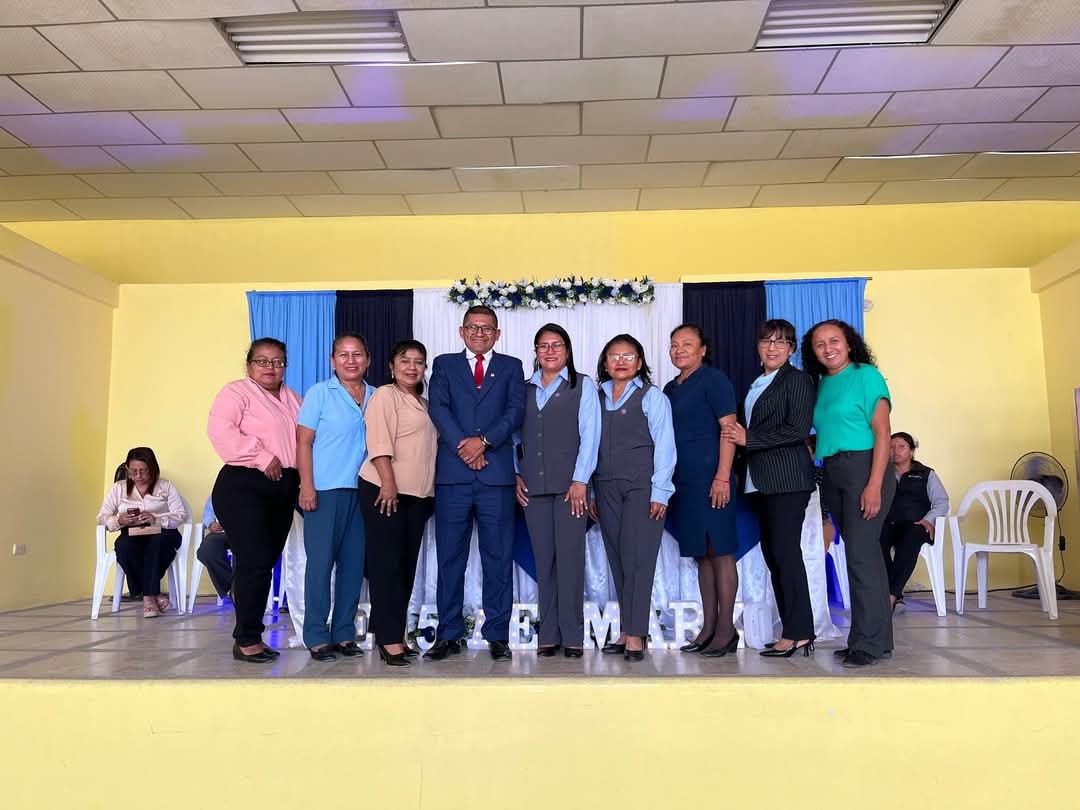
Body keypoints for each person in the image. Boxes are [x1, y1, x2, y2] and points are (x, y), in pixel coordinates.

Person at [425, 305, 525, 662]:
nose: (479, 333)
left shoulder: (511, 366)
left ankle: (497, 634)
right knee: (450, 558)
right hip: (453, 477)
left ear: (497, 334)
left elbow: (515, 412)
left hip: (495, 477)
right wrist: (465, 447)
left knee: (497, 558)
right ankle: (448, 633)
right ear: (461, 331)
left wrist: (483, 443)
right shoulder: (444, 364)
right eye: (473, 327)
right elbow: (438, 409)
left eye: (486, 328)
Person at [802, 319, 894, 668]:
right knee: (864, 556)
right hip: (833, 470)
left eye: (834, 341)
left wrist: (874, 484)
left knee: (860, 557)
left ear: (849, 343)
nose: (828, 348)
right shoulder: (822, 384)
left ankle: (867, 643)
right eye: (820, 344)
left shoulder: (866, 376)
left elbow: (883, 433)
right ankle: (874, 640)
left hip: (864, 468)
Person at [722, 319, 817, 658]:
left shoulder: (798, 380)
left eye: (781, 342)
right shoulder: (758, 382)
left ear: (791, 349)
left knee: (785, 553)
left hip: (787, 479)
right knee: (775, 555)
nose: (772, 347)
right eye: (766, 341)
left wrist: (749, 438)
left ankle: (799, 632)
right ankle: (793, 630)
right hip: (760, 481)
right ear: (758, 346)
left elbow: (798, 429)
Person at [208, 337, 301, 664]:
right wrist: (262, 457)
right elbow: (220, 431)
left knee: (265, 563)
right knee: (254, 561)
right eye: (262, 361)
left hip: (284, 486)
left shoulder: (293, 398)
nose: (270, 367)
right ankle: (246, 640)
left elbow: (305, 440)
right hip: (245, 483)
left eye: (277, 362)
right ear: (249, 365)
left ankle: (254, 634)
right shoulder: (236, 393)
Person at [515, 324, 600, 660]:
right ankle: (548, 634)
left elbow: (590, 435)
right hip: (532, 488)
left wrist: (581, 481)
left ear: (567, 349)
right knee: (544, 562)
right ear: (536, 352)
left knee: (570, 560)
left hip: (570, 489)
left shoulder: (583, 385)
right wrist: (515, 473)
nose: (550, 351)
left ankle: (573, 635)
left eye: (556, 345)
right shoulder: (523, 388)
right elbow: (514, 437)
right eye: (543, 346)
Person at [591, 334, 675, 662]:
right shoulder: (595, 397)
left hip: (643, 487)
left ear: (639, 363)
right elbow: (588, 444)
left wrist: (661, 491)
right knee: (617, 558)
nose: (621, 361)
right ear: (605, 362)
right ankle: (627, 629)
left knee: (638, 558)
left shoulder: (652, 397)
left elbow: (665, 446)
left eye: (628, 356)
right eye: (614, 356)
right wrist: (592, 490)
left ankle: (637, 633)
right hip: (605, 485)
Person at [296, 332, 375, 661]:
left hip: (364, 491)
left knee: (353, 566)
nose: (350, 361)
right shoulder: (319, 393)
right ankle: (316, 634)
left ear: (368, 359)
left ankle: (344, 632)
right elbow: (303, 442)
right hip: (324, 490)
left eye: (357, 354)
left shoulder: (376, 395)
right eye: (343, 354)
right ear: (332, 360)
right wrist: (307, 485)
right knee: (320, 565)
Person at [664, 324, 740, 658]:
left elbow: (729, 430)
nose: (679, 350)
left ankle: (726, 630)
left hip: (713, 479)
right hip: (685, 482)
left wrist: (722, 476)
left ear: (703, 350)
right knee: (702, 555)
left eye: (687, 344)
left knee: (720, 551)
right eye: (674, 345)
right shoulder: (670, 388)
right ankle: (709, 628)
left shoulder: (714, 380)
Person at [360, 339, 437, 668]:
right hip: (386, 491)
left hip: (417, 497)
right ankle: (388, 639)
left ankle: (396, 634)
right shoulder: (385, 395)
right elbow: (378, 442)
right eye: (405, 360)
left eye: (418, 362)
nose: (411, 367)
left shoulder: (424, 403)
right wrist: (388, 483)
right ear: (391, 367)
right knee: (387, 567)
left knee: (405, 569)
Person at [97, 447, 187, 619]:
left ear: (152, 468)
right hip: (132, 532)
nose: (138, 476)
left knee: (157, 544)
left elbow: (181, 515)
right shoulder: (119, 488)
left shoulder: (165, 486)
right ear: (127, 469)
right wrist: (119, 520)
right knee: (123, 546)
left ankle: (146, 597)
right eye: (133, 471)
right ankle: (154, 594)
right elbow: (102, 517)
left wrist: (156, 519)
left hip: (164, 532)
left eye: (143, 471)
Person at [880, 432, 950, 611]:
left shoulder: (926, 474)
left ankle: (890, 596)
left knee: (910, 538)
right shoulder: (880, 473)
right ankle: (895, 594)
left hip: (916, 526)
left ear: (911, 451)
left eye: (901, 447)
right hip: (888, 524)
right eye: (891, 447)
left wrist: (928, 520)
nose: (895, 451)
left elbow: (942, 502)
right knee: (875, 540)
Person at [198, 496, 233, 601]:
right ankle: (235, 587)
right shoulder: (222, 490)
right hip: (223, 532)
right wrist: (210, 523)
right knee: (207, 549)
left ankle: (239, 590)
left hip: (248, 532)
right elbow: (210, 509)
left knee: (243, 548)